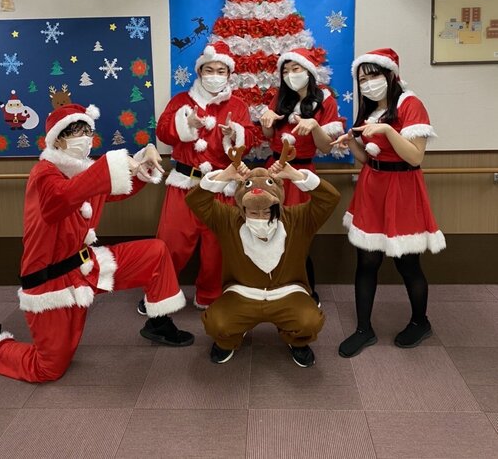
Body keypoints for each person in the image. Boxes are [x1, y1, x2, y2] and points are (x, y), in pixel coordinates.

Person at [0, 103, 193, 383]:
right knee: (48, 368)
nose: (86, 138)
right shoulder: (44, 174)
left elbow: (108, 189)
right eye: (77, 132)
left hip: (85, 265)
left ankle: (158, 323)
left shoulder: (80, 172)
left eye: (88, 132)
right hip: (51, 282)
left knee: (155, 252)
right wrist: (117, 163)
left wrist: (142, 163)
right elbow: (63, 197)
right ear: (58, 139)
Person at [333, 48, 446, 358]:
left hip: (403, 189)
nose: (368, 84)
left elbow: (415, 156)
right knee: (366, 261)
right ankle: (363, 329)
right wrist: (351, 142)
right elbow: (366, 158)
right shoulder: (369, 110)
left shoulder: (410, 104)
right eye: (362, 79)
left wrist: (385, 130)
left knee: (407, 263)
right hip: (373, 186)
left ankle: (420, 322)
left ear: (390, 75)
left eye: (373, 76)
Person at [185, 159, 341, 367]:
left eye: (267, 212)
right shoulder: (228, 220)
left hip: (288, 293)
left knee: (309, 322)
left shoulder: (298, 219)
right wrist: (224, 176)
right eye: (253, 212)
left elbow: (330, 199)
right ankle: (230, 339)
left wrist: (296, 175)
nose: (260, 218)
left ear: (278, 204)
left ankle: (296, 340)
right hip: (242, 293)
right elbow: (196, 201)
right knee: (217, 323)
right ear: (242, 207)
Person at [150, 41, 259, 313]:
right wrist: (185, 124)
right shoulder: (181, 101)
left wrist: (235, 133)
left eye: (220, 71)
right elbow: (162, 132)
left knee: (217, 248)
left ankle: (210, 295)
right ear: (199, 72)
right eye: (209, 70)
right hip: (184, 185)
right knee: (171, 242)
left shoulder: (237, 105)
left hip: (221, 187)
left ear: (229, 74)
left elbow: (250, 139)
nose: (214, 76)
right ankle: (158, 293)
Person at [259, 47, 345, 306]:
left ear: (308, 71)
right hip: (274, 170)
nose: (290, 74)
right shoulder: (279, 98)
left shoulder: (325, 100)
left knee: (298, 235)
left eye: (295, 69)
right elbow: (268, 137)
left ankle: (306, 290)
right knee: (268, 230)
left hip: (301, 173)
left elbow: (326, 147)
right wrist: (266, 123)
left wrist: (315, 125)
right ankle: (271, 288)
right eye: (285, 70)